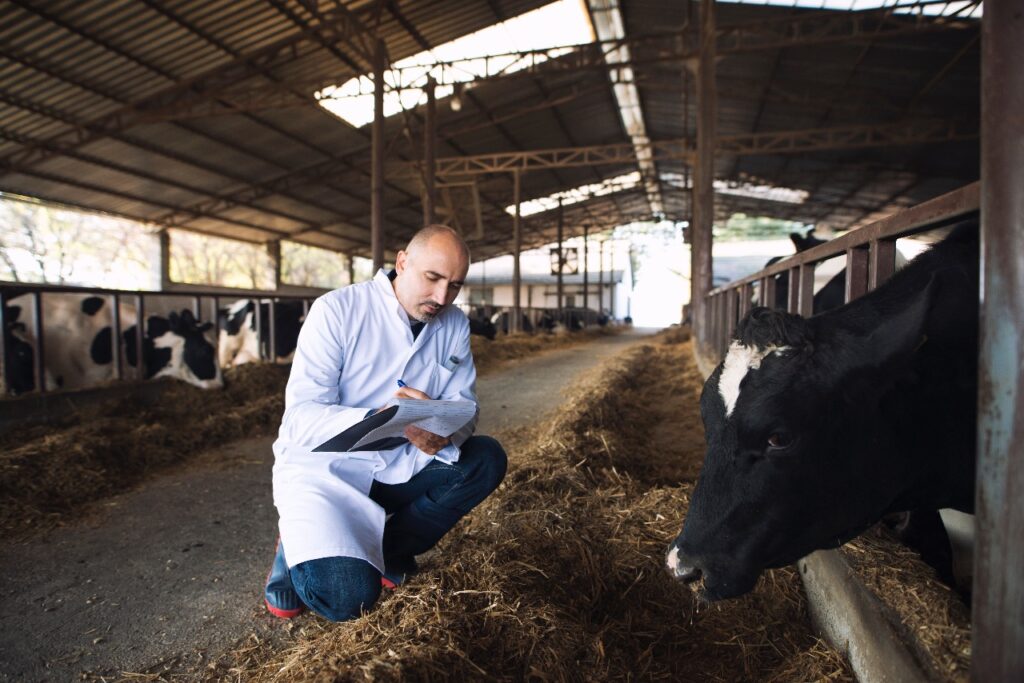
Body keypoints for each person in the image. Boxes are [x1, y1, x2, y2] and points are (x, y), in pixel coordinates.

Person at [263, 225, 507, 621]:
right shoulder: (337, 310)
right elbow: (301, 418)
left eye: (455, 285)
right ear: (402, 262)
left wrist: (443, 433)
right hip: (328, 471)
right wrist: (373, 418)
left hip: (401, 463)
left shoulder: (455, 324)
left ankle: (387, 551)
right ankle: (295, 544)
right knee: (348, 600)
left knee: (486, 459)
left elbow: (467, 407)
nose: (442, 297)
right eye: (432, 278)